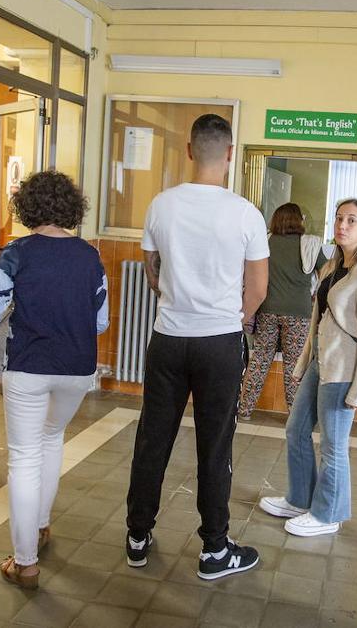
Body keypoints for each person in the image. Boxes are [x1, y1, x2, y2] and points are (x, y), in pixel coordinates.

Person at [124, 113, 270, 580]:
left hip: (168, 339)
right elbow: (259, 289)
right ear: (230, 154)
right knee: (214, 445)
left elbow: (152, 271)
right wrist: (234, 317)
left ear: (189, 151)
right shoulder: (246, 213)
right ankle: (214, 550)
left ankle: (137, 536)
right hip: (219, 345)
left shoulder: (161, 206)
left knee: (153, 439)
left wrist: (177, 303)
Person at [0, 170, 108, 589]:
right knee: (51, 439)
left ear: (26, 208)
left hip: (28, 367)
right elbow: (100, 322)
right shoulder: (90, 256)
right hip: (77, 369)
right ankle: (42, 525)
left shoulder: (16, 253)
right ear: (70, 207)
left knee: (24, 457)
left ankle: (26, 563)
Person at [258, 199, 357, 537]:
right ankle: (300, 498)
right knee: (296, 429)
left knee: (333, 445)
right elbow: (318, 322)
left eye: (351, 221)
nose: (342, 226)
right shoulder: (332, 268)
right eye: (339, 218)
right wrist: (302, 363)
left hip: (345, 371)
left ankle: (328, 513)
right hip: (321, 364)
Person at [238, 202, 327, 420]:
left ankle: (245, 410)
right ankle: (294, 415)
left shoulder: (266, 242)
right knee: (293, 366)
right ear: (299, 220)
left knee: (259, 361)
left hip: (267, 310)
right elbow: (327, 272)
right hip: (299, 313)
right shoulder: (310, 245)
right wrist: (315, 294)